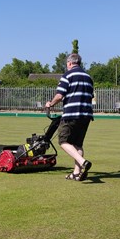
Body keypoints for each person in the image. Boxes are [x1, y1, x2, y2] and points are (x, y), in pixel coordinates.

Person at [45, 53, 94, 181]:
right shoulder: (88, 77)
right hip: (86, 115)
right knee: (77, 144)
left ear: (70, 63)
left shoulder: (68, 75)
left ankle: (83, 162)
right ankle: (76, 173)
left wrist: (50, 104)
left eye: (67, 63)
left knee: (63, 141)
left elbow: (60, 95)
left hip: (72, 113)